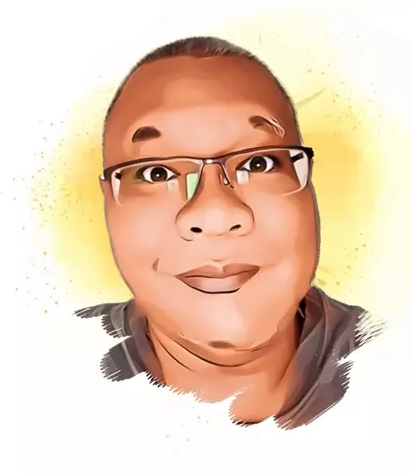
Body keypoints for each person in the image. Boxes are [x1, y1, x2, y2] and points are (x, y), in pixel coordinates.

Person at [76, 36, 384, 429]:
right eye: (157, 173)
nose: (215, 214)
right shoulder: (46, 367)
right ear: (108, 203)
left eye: (258, 163)